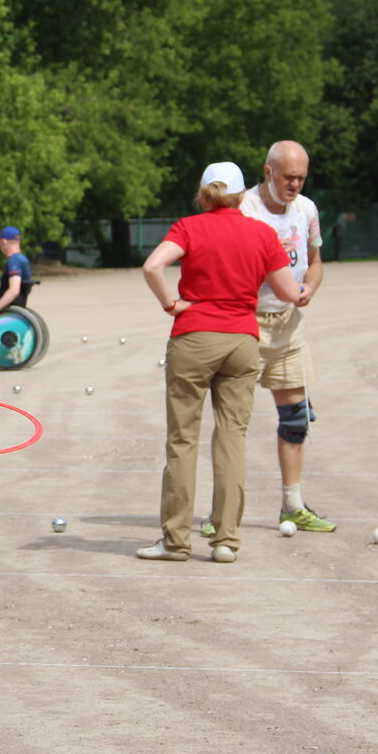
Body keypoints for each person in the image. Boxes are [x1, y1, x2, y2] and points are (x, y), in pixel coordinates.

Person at [138, 161, 301, 564]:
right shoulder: (262, 233)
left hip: (193, 338)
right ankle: (226, 540)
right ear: (242, 195)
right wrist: (307, 288)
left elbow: (153, 265)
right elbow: (287, 292)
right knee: (231, 440)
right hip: (242, 341)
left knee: (183, 441)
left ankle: (176, 542)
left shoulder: (189, 227)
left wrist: (171, 303)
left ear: (203, 194)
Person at [241, 140, 333, 533]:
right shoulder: (243, 209)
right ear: (268, 172)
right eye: (287, 177)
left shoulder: (307, 209)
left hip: (288, 325)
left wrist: (310, 287)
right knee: (233, 422)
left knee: (295, 420)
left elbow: (314, 261)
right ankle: (220, 511)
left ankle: (292, 505)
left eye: (300, 177)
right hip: (247, 322)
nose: (294, 185)